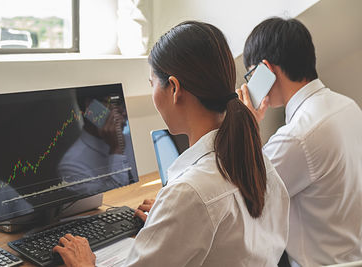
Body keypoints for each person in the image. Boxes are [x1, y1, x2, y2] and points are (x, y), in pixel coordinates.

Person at [53, 21, 290, 267]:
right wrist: (170, 220)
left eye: (152, 83)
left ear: (174, 88)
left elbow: (198, 202)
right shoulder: (260, 163)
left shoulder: (189, 193)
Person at [237, 17, 362, 267]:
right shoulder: (348, 106)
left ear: (266, 70)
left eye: (251, 75)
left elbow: (241, 198)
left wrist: (247, 126)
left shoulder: (298, 136)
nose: (249, 85)